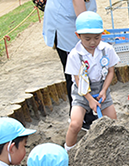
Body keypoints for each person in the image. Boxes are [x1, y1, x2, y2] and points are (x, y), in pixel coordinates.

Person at [64, 11, 119, 152]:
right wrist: (89, 99)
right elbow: (78, 81)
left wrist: (103, 91)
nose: (93, 42)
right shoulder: (75, 55)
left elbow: (111, 71)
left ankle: (111, 150)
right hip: (81, 92)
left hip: (101, 88)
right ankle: (68, 151)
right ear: (78, 35)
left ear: (102, 34)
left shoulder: (107, 50)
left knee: (113, 123)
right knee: (75, 124)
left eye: (97, 37)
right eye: (87, 39)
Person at [42, 0, 97, 130]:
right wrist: (88, 34)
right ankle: (80, 117)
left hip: (73, 20)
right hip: (66, 25)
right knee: (76, 73)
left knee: (81, 70)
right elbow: (78, 2)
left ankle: (83, 113)